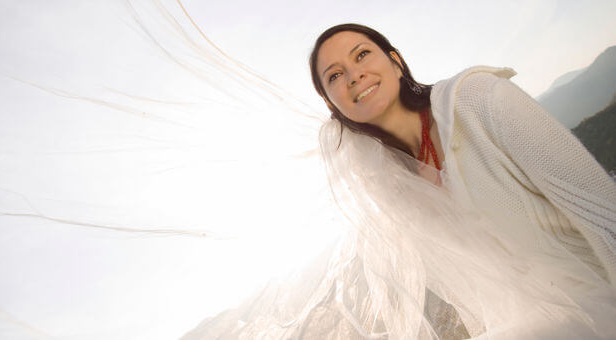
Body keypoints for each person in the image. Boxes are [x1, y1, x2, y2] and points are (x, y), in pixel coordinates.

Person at [185, 24, 616, 339]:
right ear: (333, 105)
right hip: (548, 318)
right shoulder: (394, 184)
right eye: (334, 76)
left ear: (394, 60)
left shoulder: (480, 98)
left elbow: (601, 210)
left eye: (361, 55)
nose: (353, 75)